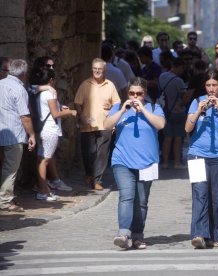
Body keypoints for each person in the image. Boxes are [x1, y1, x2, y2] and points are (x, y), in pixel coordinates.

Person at [104, 77, 165, 250]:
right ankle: (123, 233)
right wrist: (122, 110)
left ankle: (138, 235)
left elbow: (160, 124)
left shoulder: (154, 108)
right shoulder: (119, 107)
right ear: (127, 93)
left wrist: (143, 110)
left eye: (139, 93)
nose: (135, 96)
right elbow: (106, 125)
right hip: (122, 160)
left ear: (144, 94)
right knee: (126, 196)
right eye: (132, 93)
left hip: (147, 163)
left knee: (142, 201)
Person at [185, 69, 218, 249]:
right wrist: (199, 110)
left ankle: (214, 235)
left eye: (215, 85)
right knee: (199, 195)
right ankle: (199, 234)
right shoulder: (196, 102)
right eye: (208, 85)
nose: (211, 89)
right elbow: (188, 128)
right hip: (197, 154)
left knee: (215, 198)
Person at [74, 58, 121, 190]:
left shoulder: (110, 85)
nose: (97, 71)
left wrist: (112, 112)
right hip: (87, 125)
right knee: (89, 153)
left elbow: (117, 103)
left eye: (99, 69)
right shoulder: (85, 84)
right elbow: (77, 102)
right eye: (95, 69)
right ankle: (89, 173)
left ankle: (97, 180)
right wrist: (81, 115)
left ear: (104, 70)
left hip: (105, 124)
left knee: (102, 153)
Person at [33, 68, 77, 200]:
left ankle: (44, 189)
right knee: (44, 160)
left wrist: (60, 108)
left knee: (42, 159)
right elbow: (55, 114)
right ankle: (43, 191)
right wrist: (70, 112)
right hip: (50, 130)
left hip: (43, 129)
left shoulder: (40, 93)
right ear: (51, 80)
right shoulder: (50, 94)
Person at [0, 59, 36, 212]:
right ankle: (5, 200)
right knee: (10, 168)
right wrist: (32, 135)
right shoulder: (19, 89)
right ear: (24, 74)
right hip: (13, 134)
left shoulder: (1, 84)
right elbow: (25, 117)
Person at [159, 57, 189, 169]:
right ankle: (177, 163)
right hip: (178, 111)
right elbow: (184, 97)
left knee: (167, 137)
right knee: (178, 138)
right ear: (178, 66)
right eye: (182, 68)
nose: (182, 71)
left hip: (165, 111)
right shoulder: (178, 81)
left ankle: (165, 162)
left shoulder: (162, 76)